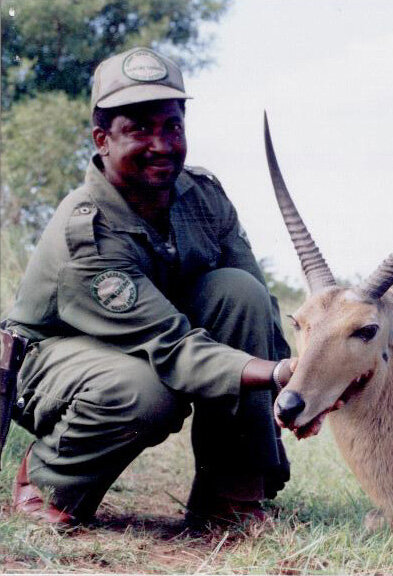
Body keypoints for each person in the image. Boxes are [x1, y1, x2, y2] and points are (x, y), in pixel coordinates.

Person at [1, 47, 293, 526]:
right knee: (147, 391)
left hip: (149, 338)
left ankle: (230, 495)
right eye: (138, 129)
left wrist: (297, 388)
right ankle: (48, 478)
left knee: (240, 292)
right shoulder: (87, 231)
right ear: (102, 140)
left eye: (172, 127)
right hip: (57, 361)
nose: (161, 144)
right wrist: (281, 373)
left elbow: (260, 308)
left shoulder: (204, 197)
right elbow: (173, 349)